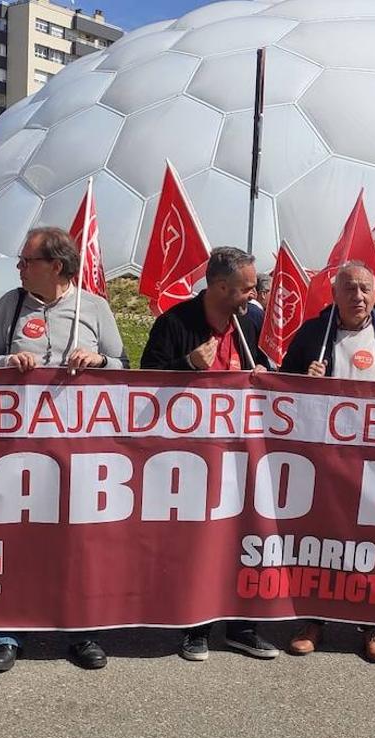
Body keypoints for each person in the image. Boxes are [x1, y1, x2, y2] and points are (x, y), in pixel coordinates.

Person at [0, 227, 128, 673]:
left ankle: (82, 633)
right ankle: (9, 633)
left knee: (77, 541)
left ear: (55, 266)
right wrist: (8, 361)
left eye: (26, 261)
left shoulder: (95, 308)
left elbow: (123, 367)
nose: (19, 268)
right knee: (18, 538)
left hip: (80, 448)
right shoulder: (11, 304)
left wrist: (98, 361)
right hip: (19, 446)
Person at [140, 246, 278, 663]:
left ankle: (241, 626)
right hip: (192, 454)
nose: (253, 296)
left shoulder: (251, 321)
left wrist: (266, 373)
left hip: (242, 450)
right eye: (246, 288)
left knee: (242, 537)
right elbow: (141, 387)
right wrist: (186, 364)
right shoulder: (175, 323)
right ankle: (195, 625)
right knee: (199, 542)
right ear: (219, 287)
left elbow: (265, 366)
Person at [279, 261, 375, 663]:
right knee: (321, 539)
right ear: (334, 295)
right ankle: (313, 621)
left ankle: (371, 625)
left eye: (366, 289)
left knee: (372, 541)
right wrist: (306, 378)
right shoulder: (313, 334)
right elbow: (281, 389)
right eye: (350, 289)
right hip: (324, 458)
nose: (358, 296)